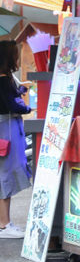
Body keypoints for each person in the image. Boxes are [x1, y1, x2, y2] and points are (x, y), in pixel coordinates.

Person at [0, 41, 31, 239]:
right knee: (5, 176)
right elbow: (11, 105)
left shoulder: (4, 79)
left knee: (4, 175)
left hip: (5, 128)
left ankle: (4, 223)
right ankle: (5, 224)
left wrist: (19, 92)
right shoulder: (3, 79)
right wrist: (27, 108)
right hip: (6, 130)